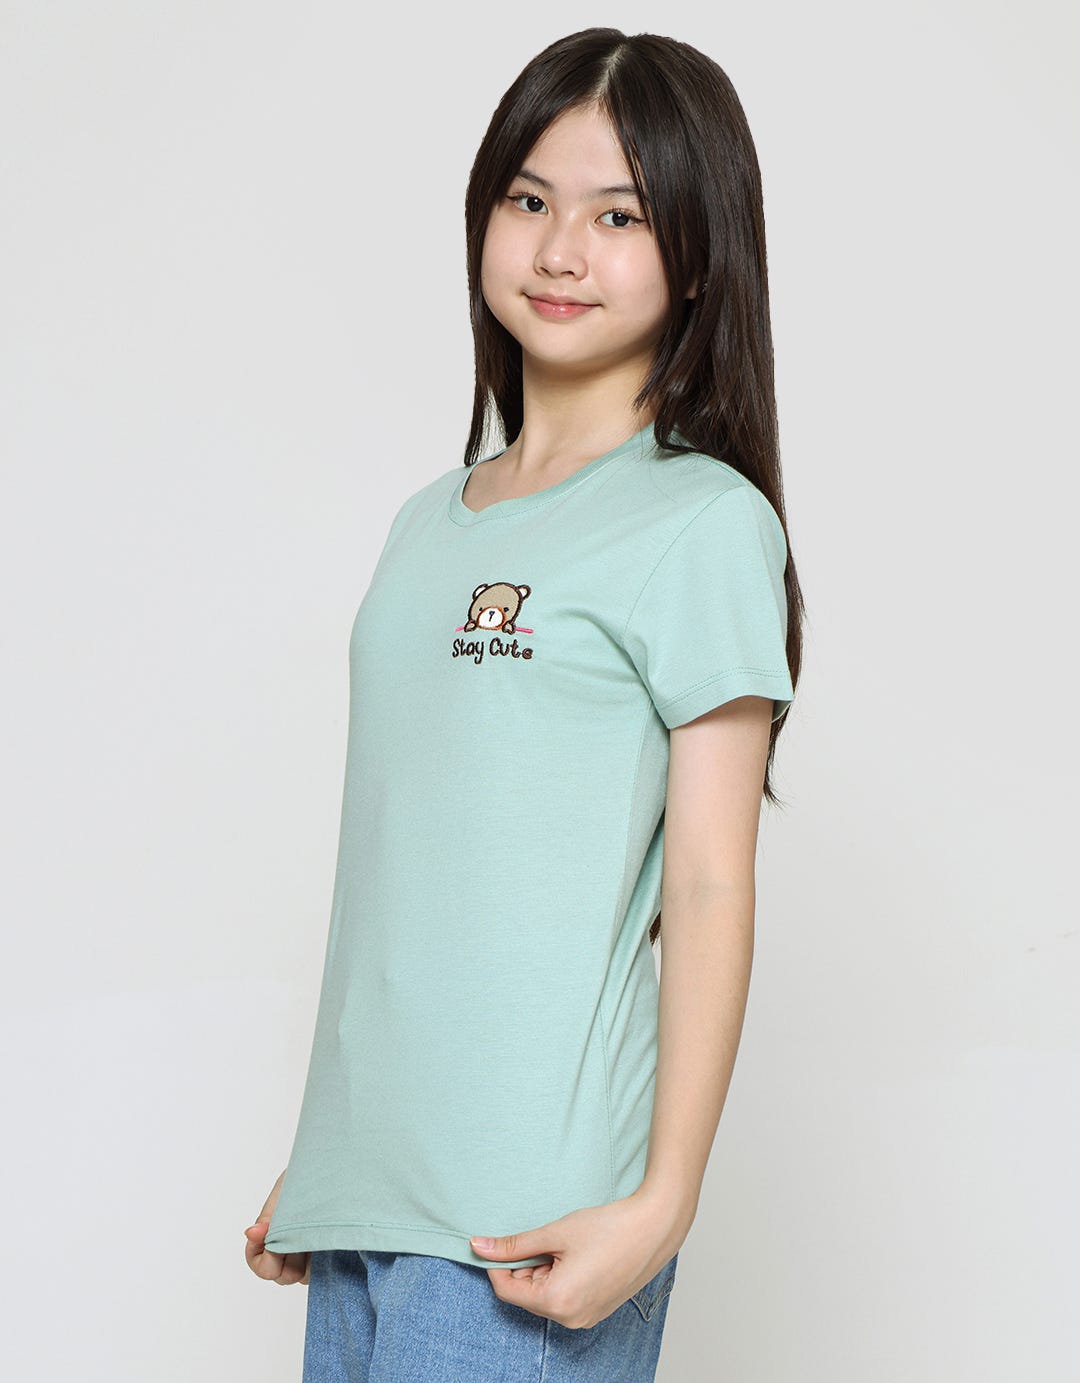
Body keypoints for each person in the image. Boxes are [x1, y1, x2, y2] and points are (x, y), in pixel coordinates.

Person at [244, 25, 805, 1383]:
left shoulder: (700, 523)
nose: (561, 251)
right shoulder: (423, 526)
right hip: (369, 1202)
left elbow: (710, 884)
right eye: (530, 199)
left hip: (534, 1216)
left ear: (698, 253)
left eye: (620, 216)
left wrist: (665, 1202)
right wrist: (335, 1162)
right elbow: (412, 871)